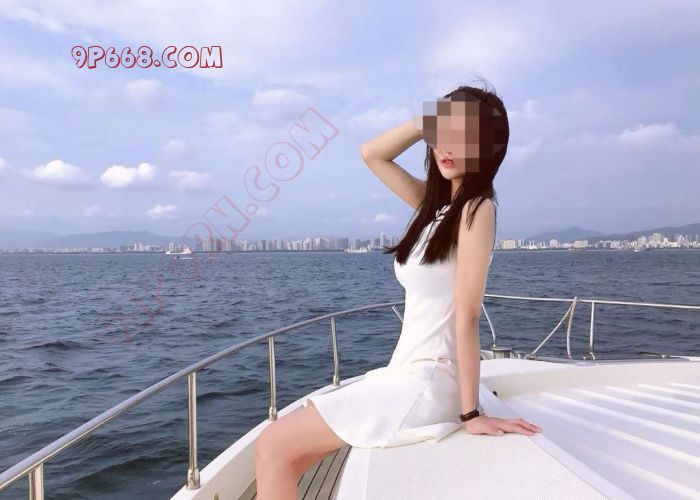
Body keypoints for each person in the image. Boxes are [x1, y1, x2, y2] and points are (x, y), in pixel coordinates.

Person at [254, 82, 542, 499]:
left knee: (272, 444)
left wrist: (470, 413)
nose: (447, 147)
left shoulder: (477, 209)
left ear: (487, 148)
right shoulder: (435, 208)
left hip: (429, 380)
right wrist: (431, 117)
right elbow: (372, 153)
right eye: (442, 133)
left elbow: (467, 315)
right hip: (404, 370)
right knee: (288, 457)